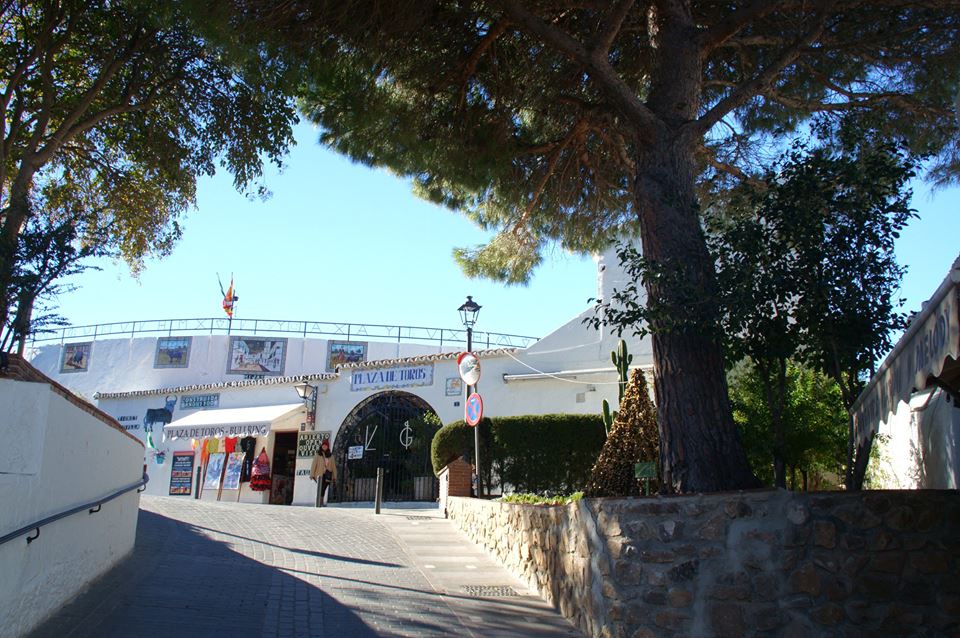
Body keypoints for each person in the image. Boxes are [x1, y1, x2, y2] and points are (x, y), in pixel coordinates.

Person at [310, 440, 337, 507]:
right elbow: (314, 465)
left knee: (323, 488)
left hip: (327, 475)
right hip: (320, 475)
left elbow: (333, 467)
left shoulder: (331, 456)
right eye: (323, 445)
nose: (324, 447)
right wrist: (312, 474)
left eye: (326, 445)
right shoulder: (318, 455)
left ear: (328, 447)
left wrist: (334, 477)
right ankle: (319, 502)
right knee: (321, 488)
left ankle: (320, 501)